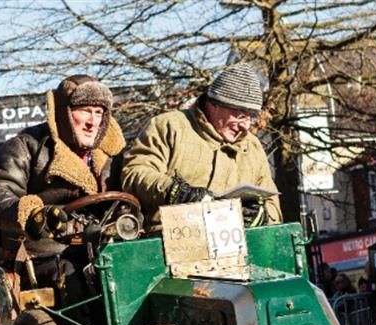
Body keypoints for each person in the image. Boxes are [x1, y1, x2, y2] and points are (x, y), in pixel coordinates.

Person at [0, 74, 125, 296]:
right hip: (47, 254)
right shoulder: (27, 145)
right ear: (64, 111)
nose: (92, 122)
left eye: (99, 112)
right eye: (85, 110)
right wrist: (33, 215)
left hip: (109, 247)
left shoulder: (115, 154)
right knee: (76, 279)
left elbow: (135, 187)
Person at [121, 63, 282, 228]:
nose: (246, 126)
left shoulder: (252, 147)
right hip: (171, 243)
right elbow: (135, 173)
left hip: (237, 248)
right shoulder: (169, 126)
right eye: (240, 116)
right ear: (214, 104)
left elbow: (272, 202)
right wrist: (173, 191)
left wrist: (263, 216)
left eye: (251, 117)